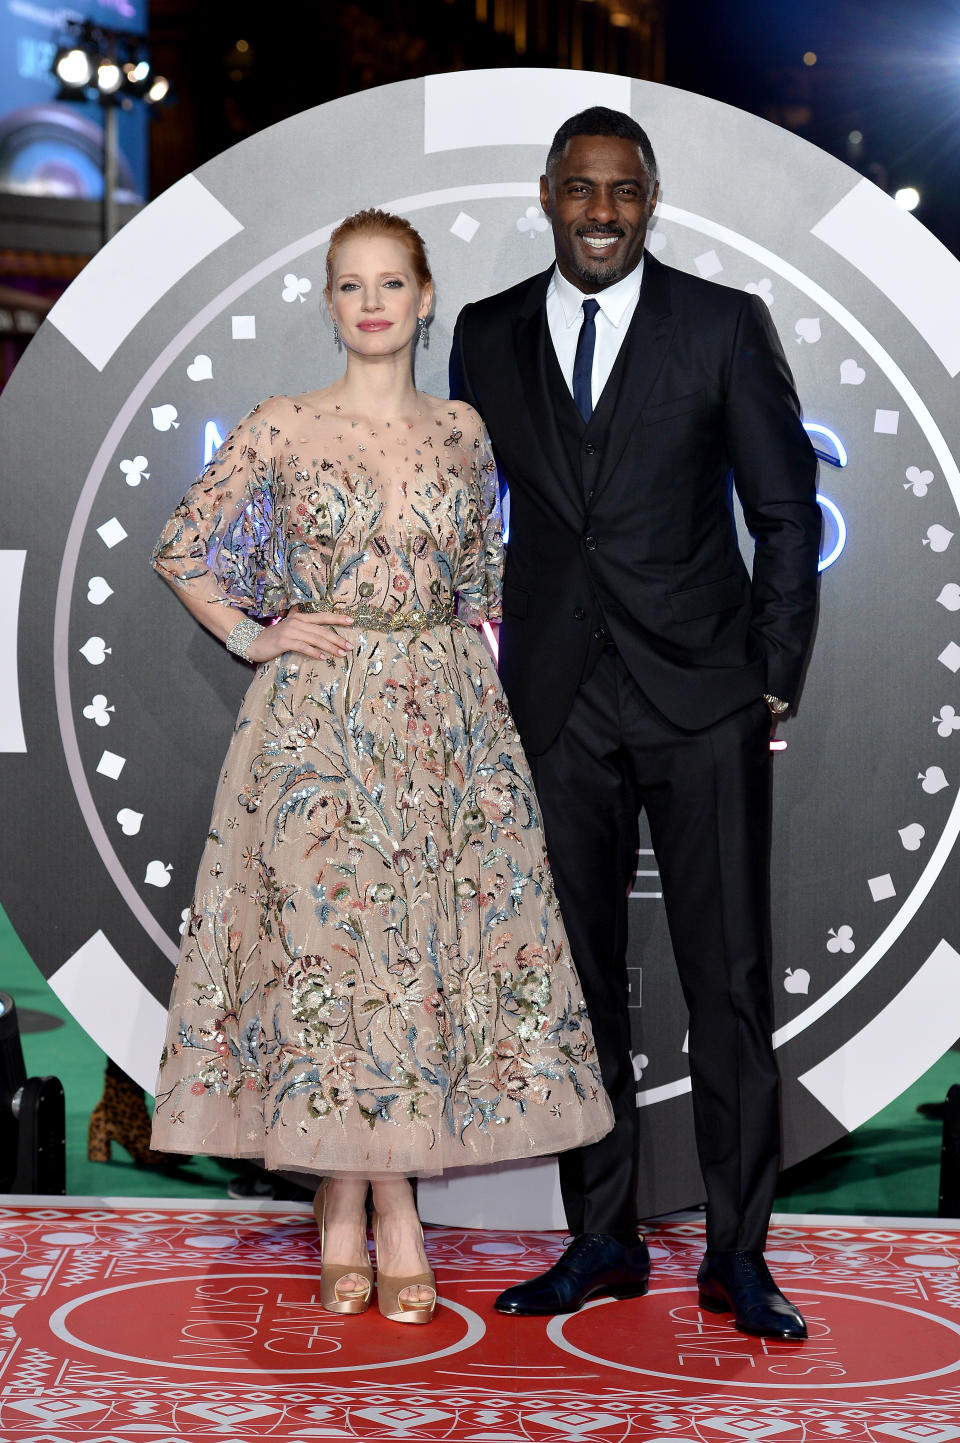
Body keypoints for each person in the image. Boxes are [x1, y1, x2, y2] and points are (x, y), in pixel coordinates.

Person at [149, 208, 614, 1325]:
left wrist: (486, 714)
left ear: (423, 296)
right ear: (327, 300)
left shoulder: (463, 430)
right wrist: (253, 633)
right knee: (329, 964)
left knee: (412, 965)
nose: (369, 302)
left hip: (444, 721)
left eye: (390, 283)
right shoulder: (281, 425)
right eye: (348, 284)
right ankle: (375, 1210)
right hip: (315, 725)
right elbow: (182, 548)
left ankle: (364, 1208)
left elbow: (484, 585)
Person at [450, 108, 821, 1340]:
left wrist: (769, 674)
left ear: (650, 200)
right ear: (546, 193)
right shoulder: (488, 335)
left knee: (727, 986)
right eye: (579, 189)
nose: (601, 213)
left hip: (704, 698)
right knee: (579, 991)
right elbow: (467, 520)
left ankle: (738, 1252)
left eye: (624, 191)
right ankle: (602, 1239)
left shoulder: (722, 325)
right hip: (557, 704)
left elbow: (783, 510)